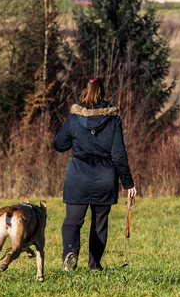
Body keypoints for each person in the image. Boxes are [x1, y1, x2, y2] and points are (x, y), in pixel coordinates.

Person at [54, 77, 137, 271]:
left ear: (86, 91)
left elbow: (59, 144)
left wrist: (74, 140)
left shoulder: (75, 117)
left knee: (72, 222)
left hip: (77, 178)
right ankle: (94, 265)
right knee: (99, 225)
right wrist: (128, 183)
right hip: (105, 179)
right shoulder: (113, 119)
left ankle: (70, 253)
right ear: (103, 93)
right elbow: (118, 155)